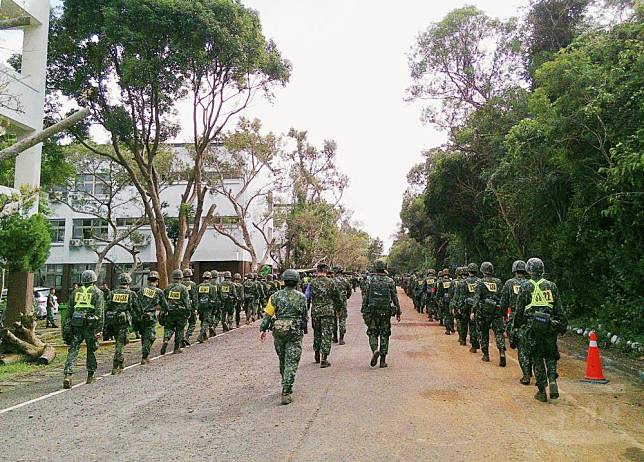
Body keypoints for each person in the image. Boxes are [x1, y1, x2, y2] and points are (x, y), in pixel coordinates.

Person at [513, 258, 567, 402]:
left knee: (536, 358)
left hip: (533, 329)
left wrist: (516, 327)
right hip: (549, 326)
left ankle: (542, 391)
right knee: (550, 355)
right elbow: (559, 309)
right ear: (542, 270)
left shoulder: (525, 287)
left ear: (529, 271)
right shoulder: (551, 286)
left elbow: (519, 311)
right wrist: (562, 325)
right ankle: (552, 379)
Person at [259, 269, 308, 405]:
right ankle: (286, 390)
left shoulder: (274, 296)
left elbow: (268, 315)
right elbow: (304, 316)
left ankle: (285, 382)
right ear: (297, 281)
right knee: (291, 362)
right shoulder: (301, 297)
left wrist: (263, 329)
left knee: (283, 359)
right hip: (294, 333)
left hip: (279, 332)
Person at [62, 270, 104, 389]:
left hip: (76, 324)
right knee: (91, 350)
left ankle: (68, 374)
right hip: (90, 326)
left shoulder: (76, 292)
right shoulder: (97, 292)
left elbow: (69, 311)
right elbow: (100, 313)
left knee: (73, 349)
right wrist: (99, 330)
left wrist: (67, 326)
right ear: (94, 280)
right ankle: (90, 375)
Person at [362, 260, 401, 368]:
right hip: (385, 311)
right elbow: (394, 297)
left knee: (372, 332)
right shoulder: (390, 281)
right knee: (385, 334)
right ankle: (382, 361)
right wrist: (398, 311)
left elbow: (365, 297)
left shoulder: (369, 281)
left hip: (372, 311)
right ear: (384, 268)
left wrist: (364, 310)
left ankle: (375, 350)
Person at [306, 263, 342, 368]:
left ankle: (316, 353)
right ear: (326, 271)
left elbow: (307, 297)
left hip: (315, 312)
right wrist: (338, 309)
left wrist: (307, 311)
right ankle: (324, 358)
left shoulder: (311, 283)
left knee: (317, 333)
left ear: (317, 271)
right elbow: (337, 297)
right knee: (326, 334)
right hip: (328, 312)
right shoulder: (331, 282)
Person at [501, 260, 532, 384]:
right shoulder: (530, 283)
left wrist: (503, 315)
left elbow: (504, 302)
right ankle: (530, 369)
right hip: (530, 316)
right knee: (531, 343)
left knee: (520, 345)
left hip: (515, 316)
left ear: (514, 270)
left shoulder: (509, 283)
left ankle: (526, 374)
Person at [105, 273, 141, 375]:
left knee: (119, 341)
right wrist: (138, 320)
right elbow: (137, 309)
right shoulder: (131, 294)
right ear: (129, 282)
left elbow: (106, 307)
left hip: (113, 321)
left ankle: (121, 361)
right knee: (120, 343)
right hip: (124, 322)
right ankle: (116, 365)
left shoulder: (112, 293)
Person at [472, 262, 506, 366]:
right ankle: (502, 352)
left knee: (484, 332)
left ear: (482, 271)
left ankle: (486, 355)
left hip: (484, 311)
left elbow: (477, 298)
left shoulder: (480, 282)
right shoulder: (498, 282)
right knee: (499, 333)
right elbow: (502, 296)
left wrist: (473, 311)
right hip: (496, 310)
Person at [138, 271, 167, 364]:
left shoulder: (141, 290)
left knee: (144, 335)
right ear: (157, 281)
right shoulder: (158, 292)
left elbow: (136, 303)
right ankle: (145, 356)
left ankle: (145, 354)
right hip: (151, 317)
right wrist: (164, 312)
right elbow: (165, 305)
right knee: (150, 336)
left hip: (141, 316)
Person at [160, 269, 191, 355]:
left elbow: (164, 300)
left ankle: (166, 340)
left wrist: (163, 311)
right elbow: (187, 302)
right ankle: (177, 348)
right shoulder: (183, 288)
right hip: (181, 312)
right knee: (180, 329)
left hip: (170, 311)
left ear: (173, 277)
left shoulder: (168, 287)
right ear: (181, 278)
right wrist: (189, 312)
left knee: (169, 327)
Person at [456, 263, 480, 353]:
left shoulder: (463, 282)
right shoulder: (479, 281)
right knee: (473, 325)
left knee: (464, 324)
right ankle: (474, 345)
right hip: (476, 306)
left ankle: (463, 339)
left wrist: (459, 307)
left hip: (465, 306)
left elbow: (461, 296)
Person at [332, 266, 352, 345]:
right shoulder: (346, 280)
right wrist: (346, 297)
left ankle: (335, 338)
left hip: (333, 303)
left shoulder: (332, 281)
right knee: (342, 320)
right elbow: (349, 291)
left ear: (335, 272)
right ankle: (341, 339)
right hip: (343, 303)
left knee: (334, 321)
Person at [196, 271, 218, 342]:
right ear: (210, 278)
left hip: (200, 306)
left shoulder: (199, 286)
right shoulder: (212, 287)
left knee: (202, 320)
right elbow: (214, 298)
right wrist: (215, 308)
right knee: (206, 321)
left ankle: (204, 335)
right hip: (208, 306)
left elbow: (197, 297)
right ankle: (201, 335)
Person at [182, 268, 199, 346]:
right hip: (191, 306)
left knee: (182, 323)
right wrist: (196, 308)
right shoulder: (192, 284)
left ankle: (181, 338)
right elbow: (195, 297)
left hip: (181, 306)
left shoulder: (181, 284)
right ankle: (187, 336)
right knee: (192, 322)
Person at [437, 268, 454, 334]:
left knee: (446, 314)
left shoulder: (441, 282)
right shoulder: (452, 281)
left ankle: (447, 329)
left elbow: (439, 292)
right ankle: (452, 327)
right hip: (451, 299)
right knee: (451, 314)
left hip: (444, 300)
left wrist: (438, 299)